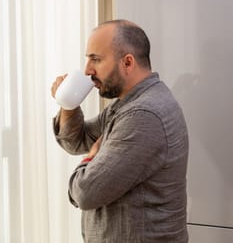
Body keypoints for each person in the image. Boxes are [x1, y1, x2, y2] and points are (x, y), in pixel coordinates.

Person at [51, 19, 189, 243]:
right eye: (87, 59)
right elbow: (77, 141)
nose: (87, 70)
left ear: (127, 62)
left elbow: (86, 192)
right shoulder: (129, 103)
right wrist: (69, 104)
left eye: (96, 59)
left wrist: (91, 159)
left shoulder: (143, 115)